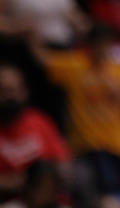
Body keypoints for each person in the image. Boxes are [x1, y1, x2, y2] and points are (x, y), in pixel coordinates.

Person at [34, 24, 120, 194]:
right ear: (89, 45)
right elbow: (44, 60)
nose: (102, 49)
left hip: (118, 146)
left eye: (106, 44)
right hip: (85, 145)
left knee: (118, 193)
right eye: (98, 44)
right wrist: (30, 35)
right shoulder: (76, 66)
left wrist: (117, 93)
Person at [0, 66, 70, 199]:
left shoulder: (39, 121)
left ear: (24, 91)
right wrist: (14, 183)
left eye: (13, 90)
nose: (10, 97)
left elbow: (63, 164)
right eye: (3, 91)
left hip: (47, 205)